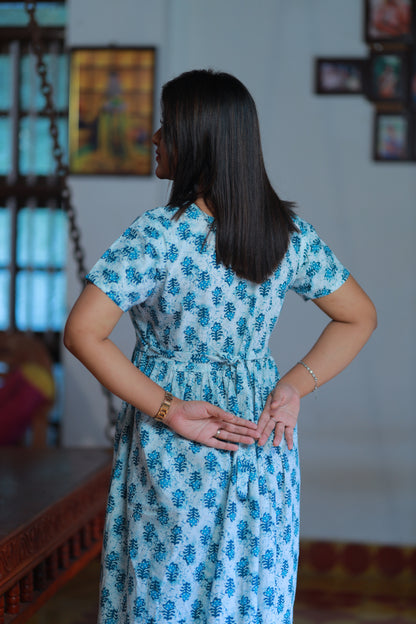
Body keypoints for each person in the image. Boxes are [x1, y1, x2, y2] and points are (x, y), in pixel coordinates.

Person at [64, 69, 377, 624]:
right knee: (251, 588)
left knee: (167, 593)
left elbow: (82, 332)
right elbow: (359, 317)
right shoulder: (286, 233)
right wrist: (291, 388)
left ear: (198, 142)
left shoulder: (159, 233)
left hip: (178, 433)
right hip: (260, 430)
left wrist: (167, 408)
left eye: (167, 128)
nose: (156, 139)